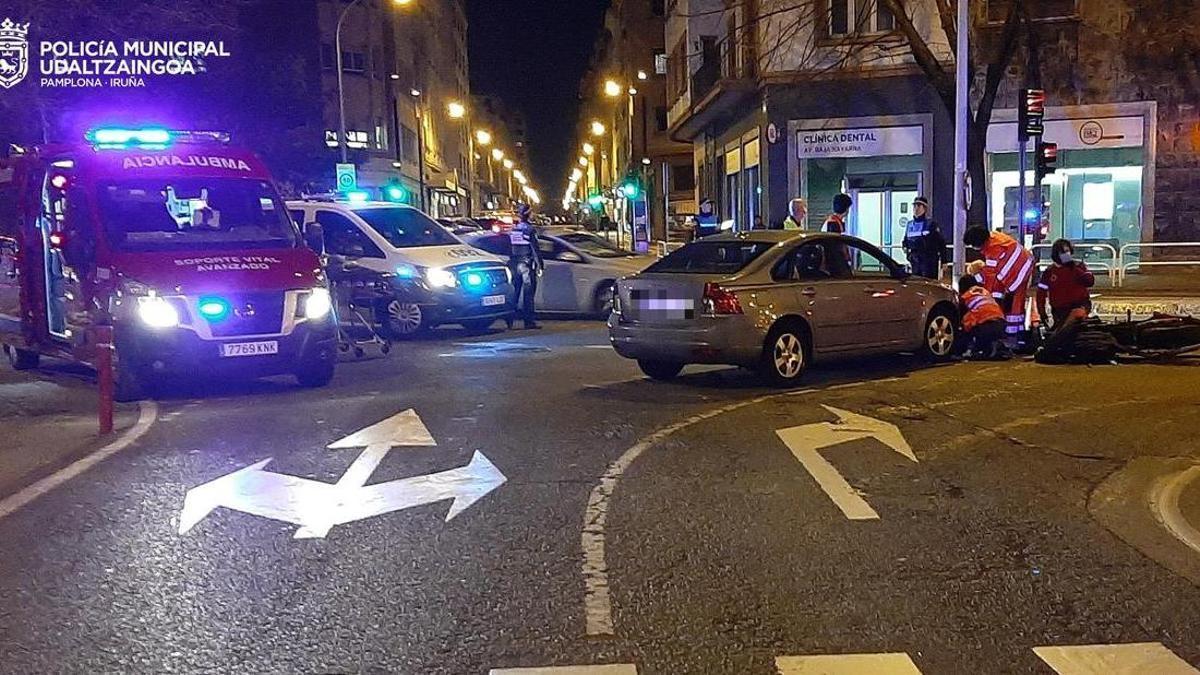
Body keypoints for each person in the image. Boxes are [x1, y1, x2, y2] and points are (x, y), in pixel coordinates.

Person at [964, 225, 1035, 342]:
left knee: (1014, 305)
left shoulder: (993, 250)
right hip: (1024, 263)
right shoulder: (994, 237)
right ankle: (1017, 335)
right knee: (1016, 302)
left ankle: (1012, 336)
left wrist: (991, 299)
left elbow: (992, 280)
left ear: (978, 243)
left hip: (1018, 271)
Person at [1036, 238, 1095, 332]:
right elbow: (1041, 293)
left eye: (1067, 251)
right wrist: (1042, 312)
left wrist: (1074, 268)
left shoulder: (1079, 266)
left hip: (1079, 305)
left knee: (1076, 316)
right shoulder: (1050, 271)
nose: (1066, 255)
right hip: (1059, 310)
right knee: (1061, 332)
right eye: (1062, 252)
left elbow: (1090, 281)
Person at [506, 203, 543, 330]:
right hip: (527, 263)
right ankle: (529, 321)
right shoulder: (529, 229)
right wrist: (540, 265)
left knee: (515, 292)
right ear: (528, 214)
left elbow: (510, 247)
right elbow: (535, 248)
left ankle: (509, 320)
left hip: (514, 263)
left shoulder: (515, 229)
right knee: (528, 293)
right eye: (531, 212)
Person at [958, 275, 1010, 360]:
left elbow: (962, 319)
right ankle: (994, 346)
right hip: (1001, 324)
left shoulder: (966, 296)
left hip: (987, 326)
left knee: (966, 323)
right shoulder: (985, 292)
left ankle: (970, 350)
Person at [903, 196, 947, 280]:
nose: (916, 209)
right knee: (916, 283)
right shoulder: (909, 225)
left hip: (929, 261)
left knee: (929, 284)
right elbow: (905, 240)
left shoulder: (931, 224)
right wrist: (906, 250)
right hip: (915, 261)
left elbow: (941, 242)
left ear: (924, 208)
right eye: (915, 206)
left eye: (919, 206)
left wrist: (944, 260)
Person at [823, 193, 853, 277]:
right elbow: (835, 246)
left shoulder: (834, 221)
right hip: (836, 265)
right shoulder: (833, 223)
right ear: (846, 208)